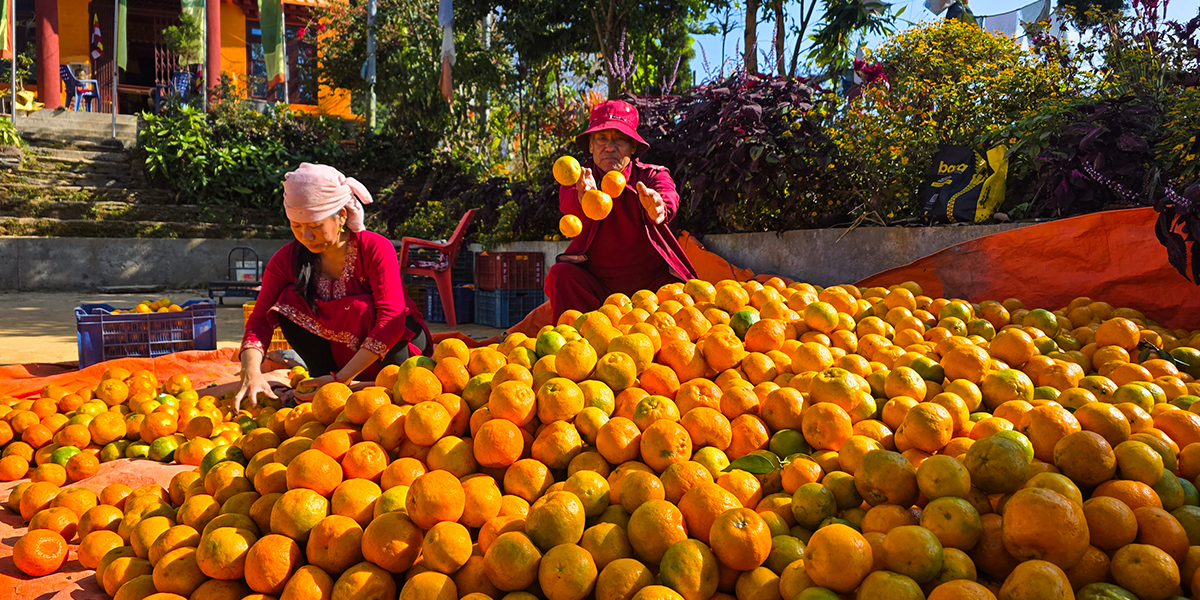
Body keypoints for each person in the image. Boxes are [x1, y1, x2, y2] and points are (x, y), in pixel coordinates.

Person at [235, 163, 430, 409]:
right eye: (297, 226)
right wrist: (251, 371)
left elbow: (391, 319)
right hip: (335, 362)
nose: (305, 237)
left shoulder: (374, 248)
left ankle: (351, 383)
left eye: (315, 226)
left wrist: (342, 379)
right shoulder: (286, 260)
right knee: (286, 300)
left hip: (394, 349)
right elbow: (260, 319)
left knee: (361, 308)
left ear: (342, 216)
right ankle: (321, 380)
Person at [546, 100, 697, 319]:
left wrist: (658, 207)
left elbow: (667, 197)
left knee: (685, 307)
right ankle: (575, 345)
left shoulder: (651, 175)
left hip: (652, 286)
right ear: (590, 145)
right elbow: (568, 205)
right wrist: (583, 197)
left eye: (619, 139)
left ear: (633, 147)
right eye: (601, 138)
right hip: (597, 287)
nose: (609, 147)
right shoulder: (578, 177)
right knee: (560, 275)